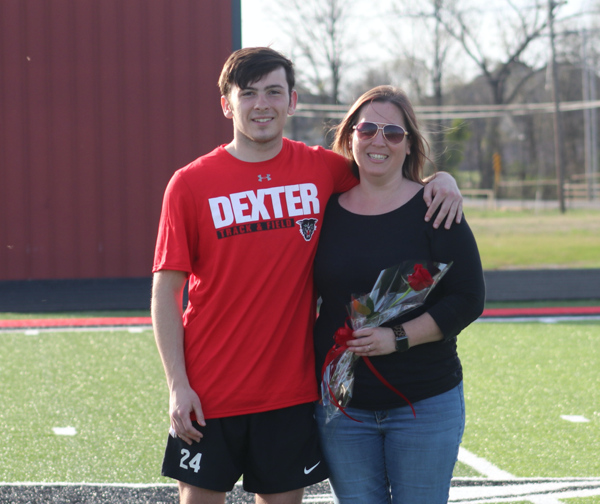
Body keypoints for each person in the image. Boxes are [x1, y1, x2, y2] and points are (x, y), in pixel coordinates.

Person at [151, 48, 463, 504]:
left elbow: (385, 169)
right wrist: (177, 385)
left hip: (291, 394)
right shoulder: (190, 183)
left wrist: (442, 180)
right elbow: (166, 292)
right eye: (249, 93)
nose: (262, 104)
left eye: (274, 92)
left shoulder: (323, 169)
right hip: (208, 391)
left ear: (292, 101)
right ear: (226, 104)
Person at [313, 85, 486, 504]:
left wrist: (398, 337)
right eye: (368, 128)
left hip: (424, 402)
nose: (378, 140)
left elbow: (468, 298)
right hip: (342, 407)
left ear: (409, 145)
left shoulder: (436, 205)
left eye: (393, 133)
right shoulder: (322, 208)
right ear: (350, 135)